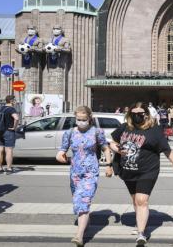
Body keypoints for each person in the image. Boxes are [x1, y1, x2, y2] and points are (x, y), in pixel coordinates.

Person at [110, 102, 173, 245]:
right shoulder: (125, 127)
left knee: (141, 200)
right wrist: (118, 149)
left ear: (146, 114)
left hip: (148, 171)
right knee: (135, 201)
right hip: (128, 170)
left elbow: (166, 149)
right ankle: (140, 224)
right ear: (130, 114)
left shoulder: (154, 130)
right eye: (134, 113)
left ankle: (141, 234)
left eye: (140, 113)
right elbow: (112, 141)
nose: (137, 116)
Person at [56, 106, 113, 247]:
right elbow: (62, 150)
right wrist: (60, 156)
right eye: (78, 119)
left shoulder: (97, 132)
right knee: (78, 200)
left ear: (89, 119)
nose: (81, 122)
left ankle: (79, 236)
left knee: (84, 201)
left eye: (84, 120)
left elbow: (106, 148)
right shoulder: (69, 133)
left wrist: (109, 165)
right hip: (75, 173)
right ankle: (86, 220)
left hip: (91, 172)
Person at [0, 95, 19, 174]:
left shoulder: (1, 108)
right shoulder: (11, 109)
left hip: (0, 131)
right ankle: (8, 168)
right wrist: (14, 127)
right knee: (9, 150)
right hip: (9, 131)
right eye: (14, 100)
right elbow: (16, 118)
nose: (15, 102)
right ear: (11, 101)